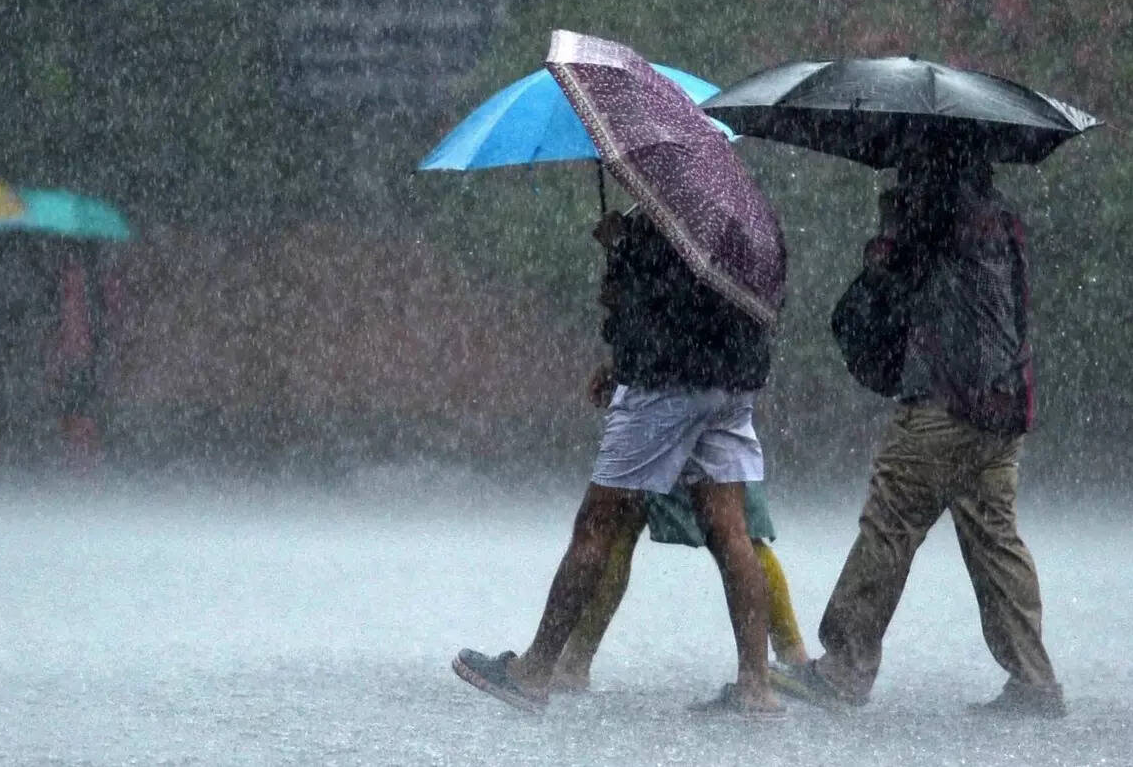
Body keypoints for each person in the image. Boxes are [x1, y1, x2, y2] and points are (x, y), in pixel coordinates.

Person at [452, 209, 783, 716]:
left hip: (666, 384)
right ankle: (756, 686)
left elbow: (652, 306)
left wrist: (622, 253)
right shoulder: (742, 217)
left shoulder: (664, 218)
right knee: (731, 530)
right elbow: (724, 304)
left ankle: (535, 670)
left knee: (598, 523)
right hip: (733, 381)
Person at [772, 154, 1065, 717]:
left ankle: (843, 668)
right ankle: (1034, 679)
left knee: (890, 524)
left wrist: (891, 229)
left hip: (944, 403)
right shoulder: (1001, 217)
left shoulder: (933, 214)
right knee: (995, 539)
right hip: (1005, 404)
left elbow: (885, 288)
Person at [548, 477, 810, 694]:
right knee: (738, 529)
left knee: (620, 522)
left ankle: (574, 663)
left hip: (659, 436)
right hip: (715, 436)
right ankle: (790, 657)